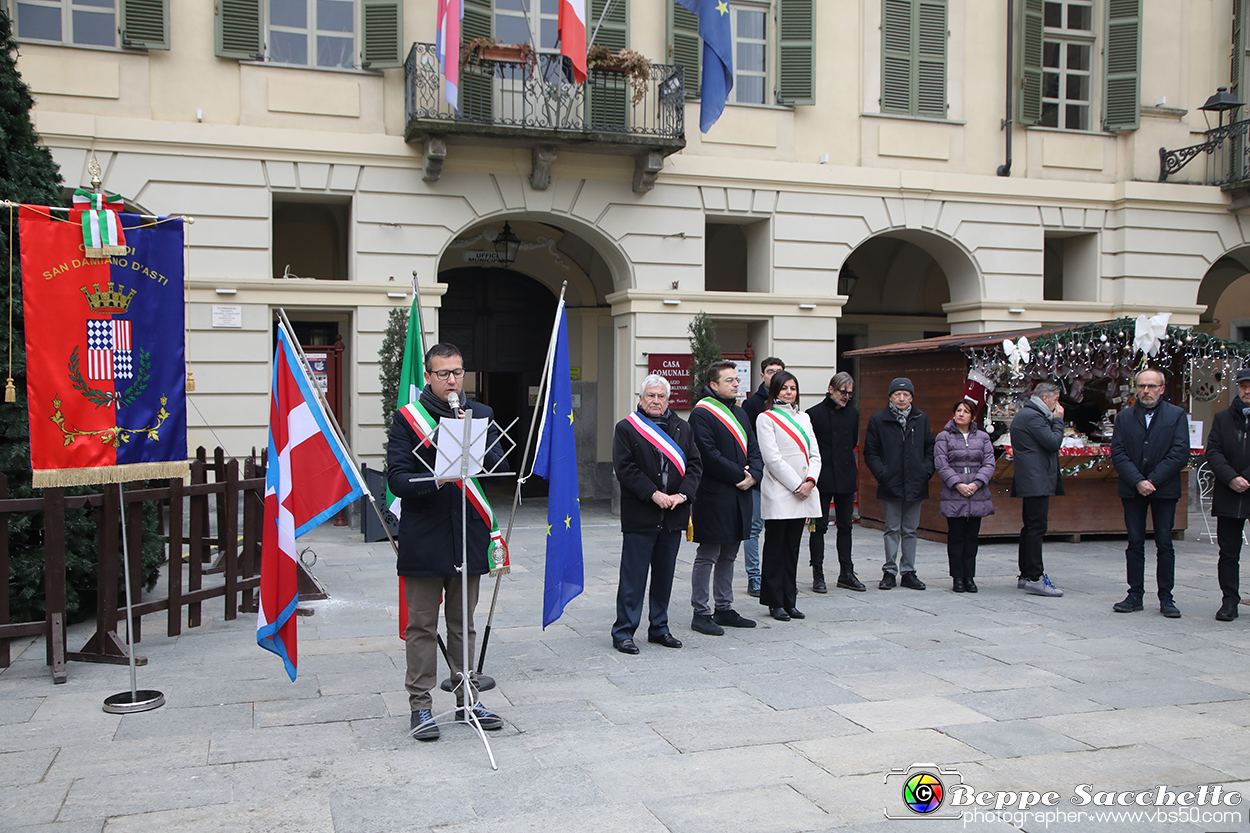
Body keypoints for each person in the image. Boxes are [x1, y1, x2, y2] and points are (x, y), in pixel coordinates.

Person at [387, 343, 506, 742]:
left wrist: (482, 453)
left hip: (468, 536)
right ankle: (420, 705)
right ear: (429, 376)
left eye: (457, 372)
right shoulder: (408, 420)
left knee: (463, 623)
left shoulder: (482, 415)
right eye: (443, 374)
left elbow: (500, 468)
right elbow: (397, 480)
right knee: (421, 624)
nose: (453, 380)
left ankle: (467, 698)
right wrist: (437, 475)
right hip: (425, 536)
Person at [611, 374, 703, 653]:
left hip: (673, 515)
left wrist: (682, 495)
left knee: (664, 576)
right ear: (640, 399)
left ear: (668, 399)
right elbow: (625, 469)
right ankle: (624, 632)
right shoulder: (627, 428)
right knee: (633, 578)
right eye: (650, 395)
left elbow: (696, 466)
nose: (655, 401)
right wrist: (654, 494)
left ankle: (659, 628)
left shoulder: (682, 428)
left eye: (661, 396)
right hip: (641, 515)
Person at [1109, 368, 1190, 618]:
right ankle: (1135, 595)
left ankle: (1166, 597)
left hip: (1164, 489)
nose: (1146, 391)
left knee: (1165, 543)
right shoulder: (1124, 417)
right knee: (1134, 543)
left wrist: (1152, 480)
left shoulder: (1176, 415)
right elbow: (1118, 452)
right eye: (1142, 386)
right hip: (1133, 490)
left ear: (1162, 389)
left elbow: (1179, 452)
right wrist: (1138, 481)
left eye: (1152, 386)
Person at [688, 362, 762, 634]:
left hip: (740, 492)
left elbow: (754, 447)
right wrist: (740, 475)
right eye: (729, 380)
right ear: (714, 385)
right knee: (708, 553)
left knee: (730, 553)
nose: (735, 383)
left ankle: (724, 607)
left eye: (736, 379)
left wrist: (754, 473)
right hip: (714, 494)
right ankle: (700, 612)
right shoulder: (702, 413)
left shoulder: (741, 413)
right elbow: (707, 454)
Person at [755, 370, 822, 620]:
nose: (789, 392)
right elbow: (772, 458)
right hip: (781, 491)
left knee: (793, 548)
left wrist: (810, 480)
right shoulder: (766, 418)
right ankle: (775, 601)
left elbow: (815, 454)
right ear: (775, 391)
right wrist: (797, 485)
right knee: (775, 548)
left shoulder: (804, 418)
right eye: (784, 388)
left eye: (793, 388)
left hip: (805, 489)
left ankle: (789, 599)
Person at [863, 377, 935, 590]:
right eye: (897, 395)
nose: (902, 398)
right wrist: (882, 474)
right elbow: (871, 451)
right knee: (892, 528)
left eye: (906, 395)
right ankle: (889, 571)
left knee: (911, 529)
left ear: (912, 397)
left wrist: (926, 471)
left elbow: (930, 447)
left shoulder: (921, 418)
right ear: (890, 397)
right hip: (891, 482)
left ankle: (909, 571)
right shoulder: (879, 419)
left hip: (916, 482)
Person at [806, 371, 865, 592]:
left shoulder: (853, 414)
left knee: (846, 526)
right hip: (821, 478)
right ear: (831, 389)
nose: (846, 397)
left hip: (846, 475)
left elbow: (851, 443)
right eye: (843, 392)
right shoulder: (813, 414)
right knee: (818, 527)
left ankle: (847, 572)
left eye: (850, 393)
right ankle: (818, 574)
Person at [1201, 367, 1250, 622]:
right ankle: (1230, 601)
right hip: (1229, 494)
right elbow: (1214, 451)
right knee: (1228, 552)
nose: (1247, 390)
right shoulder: (1222, 418)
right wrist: (1231, 477)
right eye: (1243, 386)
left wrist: (1246, 478)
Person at [1009, 381, 1065, 597]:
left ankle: (1026, 574)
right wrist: (1058, 421)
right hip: (1036, 479)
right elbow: (1053, 442)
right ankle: (1035, 576)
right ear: (1045, 398)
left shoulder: (1029, 414)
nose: (1057, 405)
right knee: (1036, 528)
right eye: (1055, 400)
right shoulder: (1033, 416)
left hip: (1034, 478)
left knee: (1030, 526)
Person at [934, 400, 996, 593]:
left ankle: (970, 577)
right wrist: (958, 484)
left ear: (973, 416)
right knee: (956, 537)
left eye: (966, 411)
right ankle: (957, 577)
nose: (961, 414)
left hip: (976, 494)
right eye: (958, 410)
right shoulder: (944, 437)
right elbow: (941, 464)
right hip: (955, 493)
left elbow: (989, 463)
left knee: (972, 538)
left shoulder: (983, 438)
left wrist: (976, 483)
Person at [742, 356, 785, 598]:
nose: (775, 376)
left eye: (779, 372)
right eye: (770, 372)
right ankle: (754, 576)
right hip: (759, 477)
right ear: (762, 376)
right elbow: (748, 442)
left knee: (779, 528)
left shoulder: (789, 404)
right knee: (754, 528)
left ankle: (777, 576)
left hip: (783, 479)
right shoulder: (752, 405)